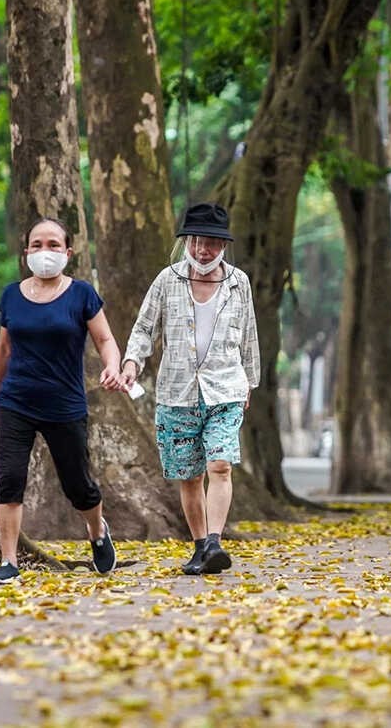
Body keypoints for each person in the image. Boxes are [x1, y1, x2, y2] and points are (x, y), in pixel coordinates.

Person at [121, 203, 260, 576]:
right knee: (190, 476)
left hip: (225, 389)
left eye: (213, 244)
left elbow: (249, 337)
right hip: (177, 392)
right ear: (187, 241)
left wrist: (250, 380)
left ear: (224, 246)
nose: (204, 250)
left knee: (219, 464)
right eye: (198, 241)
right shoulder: (168, 280)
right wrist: (132, 362)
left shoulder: (238, 283)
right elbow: (144, 328)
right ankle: (201, 547)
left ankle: (215, 541)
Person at [0, 218, 125, 584]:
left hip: (65, 404)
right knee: (10, 478)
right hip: (17, 400)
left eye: (52, 244)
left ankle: (96, 532)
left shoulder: (81, 294)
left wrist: (113, 366)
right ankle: (9, 560)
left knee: (78, 484)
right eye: (37, 244)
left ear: (68, 252)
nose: (44, 251)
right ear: (26, 250)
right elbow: (3, 349)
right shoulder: (11, 296)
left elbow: (106, 340)